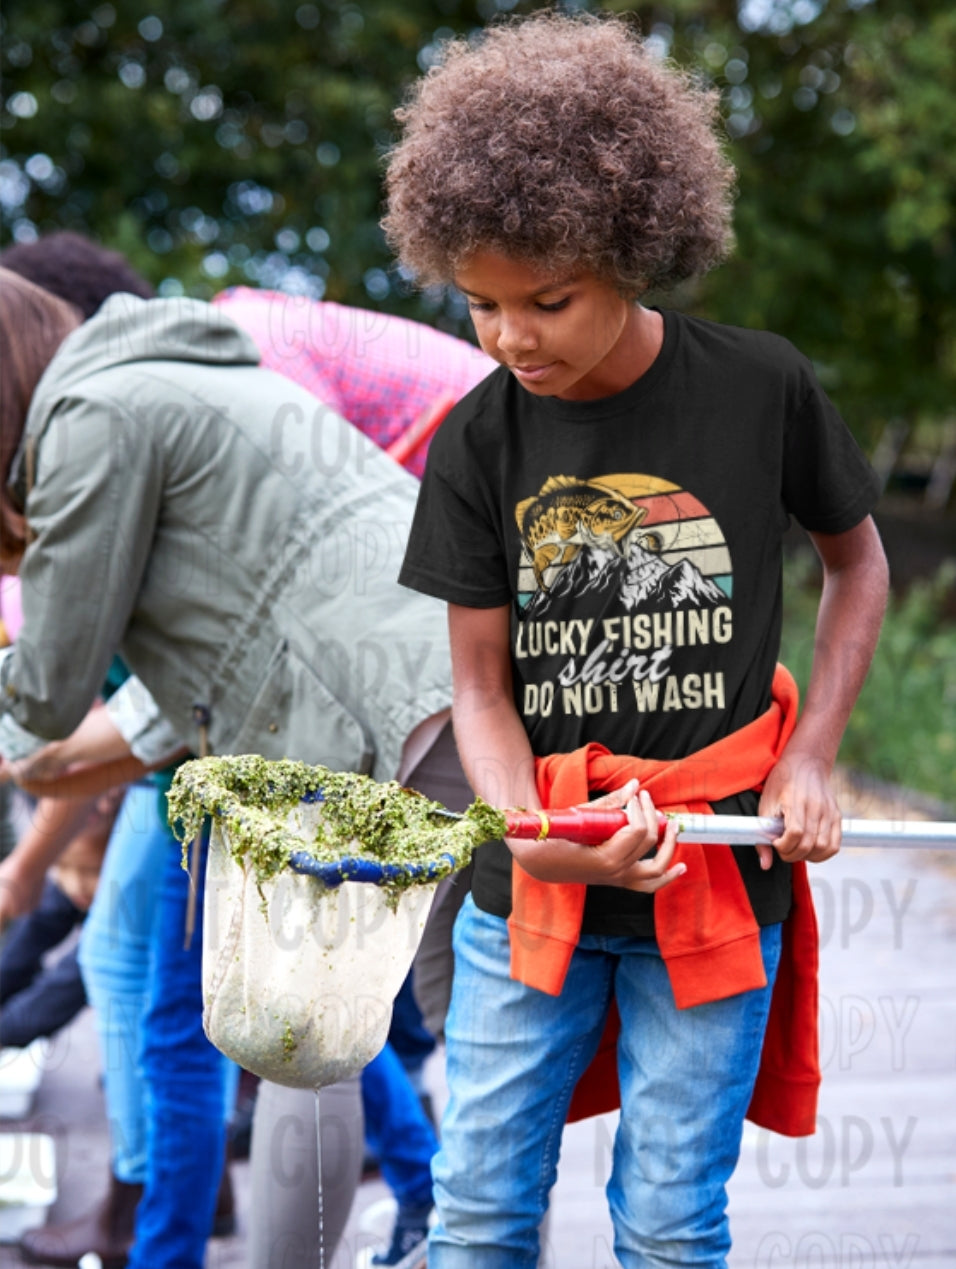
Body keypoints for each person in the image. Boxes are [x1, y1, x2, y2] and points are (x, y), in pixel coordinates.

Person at [385, 12, 890, 1268]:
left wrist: (811, 755)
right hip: (529, 891)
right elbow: (480, 692)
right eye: (481, 305)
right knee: (480, 1212)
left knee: (670, 1223)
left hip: (717, 870)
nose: (510, 338)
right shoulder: (476, 439)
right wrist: (538, 842)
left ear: (632, 246)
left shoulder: (761, 387)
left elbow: (856, 565)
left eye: (546, 300)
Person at [0, 268, 462, 1269]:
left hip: (383, 717)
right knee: (393, 1040)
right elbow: (232, 623)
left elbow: (43, 688)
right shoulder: (166, 379)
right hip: (415, 693)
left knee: (339, 1043)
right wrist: (65, 759)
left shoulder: (92, 415)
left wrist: (39, 756)